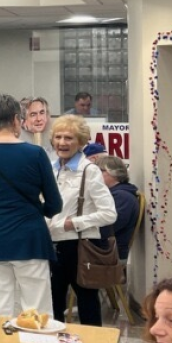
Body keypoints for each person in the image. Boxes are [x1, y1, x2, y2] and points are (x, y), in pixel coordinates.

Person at [0, 93, 62, 317]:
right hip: (30, 238)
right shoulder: (36, 154)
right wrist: (35, 211)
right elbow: (55, 204)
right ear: (17, 120)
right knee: (37, 310)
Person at [48, 114, 116, 326]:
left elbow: (109, 213)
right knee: (53, 304)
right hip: (52, 244)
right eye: (58, 137)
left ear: (80, 142)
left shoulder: (90, 171)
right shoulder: (51, 169)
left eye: (69, 138)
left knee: (87, 304)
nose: (62, 142)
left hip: (80, 246)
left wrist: (73, 223)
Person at [97, 155, 139, 261]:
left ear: (114, 172)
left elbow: (109, 227)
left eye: (99, 171)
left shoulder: (122, 197)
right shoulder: (118, 194)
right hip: (105, 253)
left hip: (108, 255)